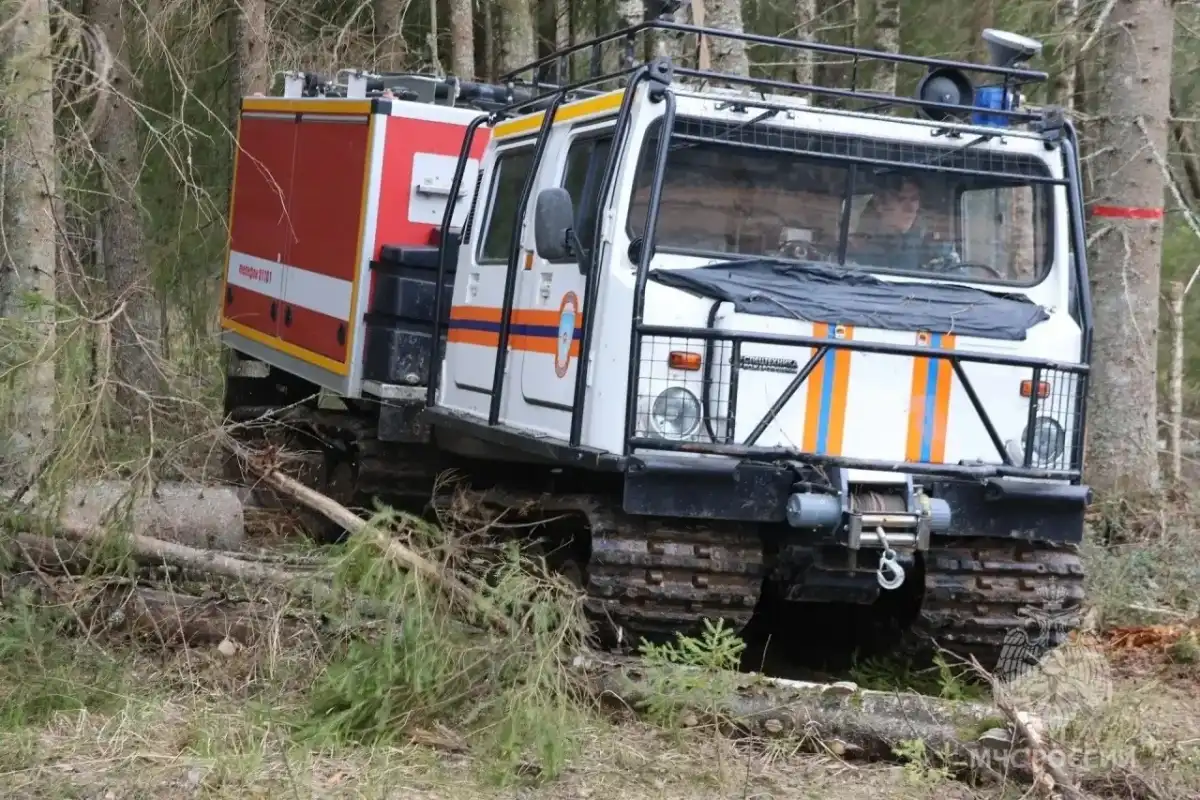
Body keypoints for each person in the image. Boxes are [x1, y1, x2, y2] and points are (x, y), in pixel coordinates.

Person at [847, 174, 949, 272]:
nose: (910, 209)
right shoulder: (854, 253)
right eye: (901, 199)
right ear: (880, 204)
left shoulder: (923, 248)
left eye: (914, 199)